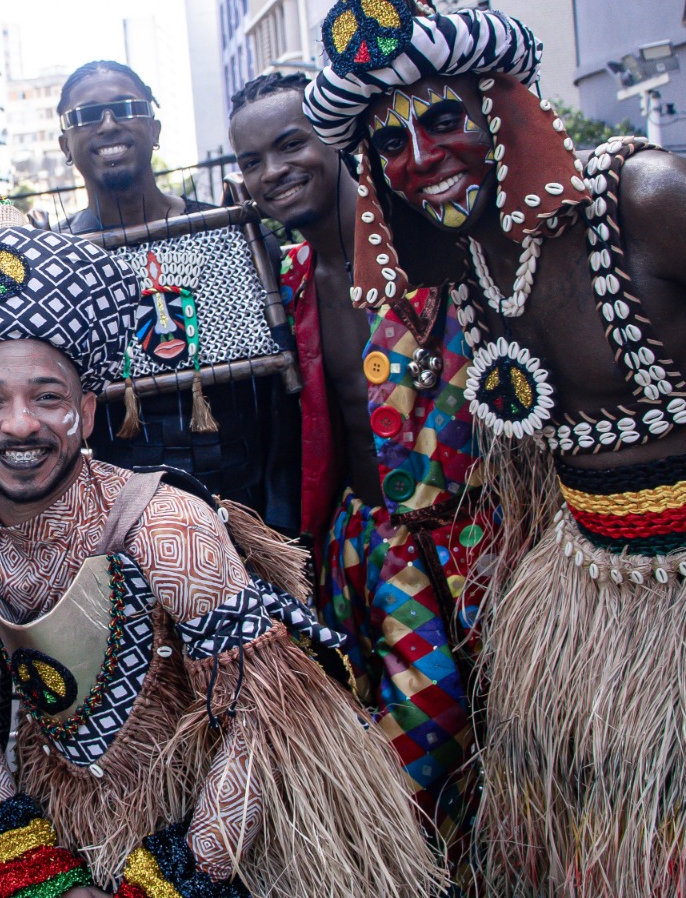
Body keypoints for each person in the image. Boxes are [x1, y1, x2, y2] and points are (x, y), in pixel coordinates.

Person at [303, 0, 686, 895]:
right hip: (580, 621)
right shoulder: (466, 267)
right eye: (388, 145)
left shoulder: (649, 198)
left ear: (500, 109)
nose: (421, 160)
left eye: (442, 120)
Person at [0, 203, 444, 898]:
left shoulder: (166, 528)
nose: (20, 425)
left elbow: (258, 721)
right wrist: (40, 877)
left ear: (86, 412)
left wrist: (169, 882)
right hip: (68, 829)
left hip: (230, 835)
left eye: (48, 397)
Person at [230, 70, 489, 868]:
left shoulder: (435, 248)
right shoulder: (284, 281)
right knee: (395, 750)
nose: (271, 172)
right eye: (250, 161)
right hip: (359, 552)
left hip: (476, 546)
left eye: (289, 145)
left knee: (493, 743)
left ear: (338, 141)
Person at [55, 60, 297, 532]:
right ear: (66, 145)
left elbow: (282, 400)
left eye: (127, 107)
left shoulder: (234, 237)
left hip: (250, 510)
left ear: (155, 129)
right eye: (87, 115)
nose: (109, 124)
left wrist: (283, 517)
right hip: (122, 524)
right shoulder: (53, 265)